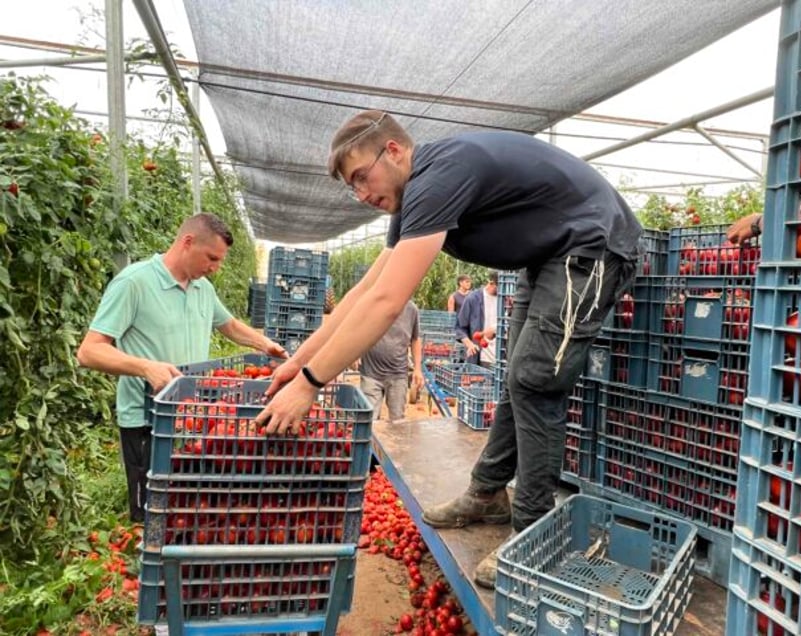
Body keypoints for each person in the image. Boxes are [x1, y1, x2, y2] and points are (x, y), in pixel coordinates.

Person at [256, 110, 641, 589]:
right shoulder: (416, 198)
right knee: (518, 379)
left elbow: (387, 302)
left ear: (393, 151)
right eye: (351, 187)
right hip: (546, 260)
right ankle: (487, 494)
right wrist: (296, 364)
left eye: (361, 176)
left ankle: (534, 533)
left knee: (535, 380)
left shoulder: (440, 175)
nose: (361, 194)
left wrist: (312, 384)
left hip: (593, 248)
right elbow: (363, 291)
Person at [76, 213, 286, 524]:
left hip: (193, 416)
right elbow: (89, 351)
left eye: (219, 260)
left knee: (188, 505)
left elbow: (228, 324)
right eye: (211, 257)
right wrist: (145, 367)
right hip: (148, 418)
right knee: (150, 511)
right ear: (187, 242)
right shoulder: (134, 282)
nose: (215, 267)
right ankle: (149, 564)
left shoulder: (203, 289)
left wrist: (264, 344)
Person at [358, 300, 424, 422]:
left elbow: (415, 339)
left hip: (398, 374)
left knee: (397, 420)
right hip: (371, 373)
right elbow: (358, 329)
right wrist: (355, 353)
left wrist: (417, 369)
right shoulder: (374, 303)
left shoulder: (411, 309)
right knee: (368, 420)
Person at [456, 271, 498, 367]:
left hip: (501, 357)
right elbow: (460, 328)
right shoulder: (473, 299)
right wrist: (469, 344)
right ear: (492, 283)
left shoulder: (506, 300)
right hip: (481, 356)